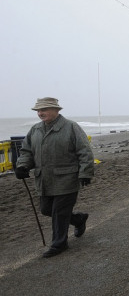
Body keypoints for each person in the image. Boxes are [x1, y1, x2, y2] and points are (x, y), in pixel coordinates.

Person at [15, 97, 94, 258]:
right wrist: (22, 166)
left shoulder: (71, 127)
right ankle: (78, 220)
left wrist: (85, 173)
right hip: (44, 180)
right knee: (46, 210)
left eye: (43, 110)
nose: (40, 113)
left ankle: (59, 244)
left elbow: (84, 151)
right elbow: (27, 151)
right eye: (38, 111)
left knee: (59, 212)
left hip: (67, 179)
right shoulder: (35, 130)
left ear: (56, 110)